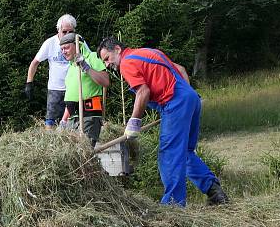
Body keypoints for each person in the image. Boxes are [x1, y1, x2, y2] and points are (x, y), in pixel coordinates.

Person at [97, 37, 228, 207]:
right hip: (191, 99)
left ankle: (173, 205)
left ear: (117, 49)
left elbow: (143, 92)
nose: (108, 64)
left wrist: (134, 121)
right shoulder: (149, 52)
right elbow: (180, 70)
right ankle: (215, 193)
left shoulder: (127, 63)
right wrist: (186, 98)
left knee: (169, 154)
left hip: (174, 102)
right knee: (185, 152)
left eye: (107, 58)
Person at [57, 33, 110, 146]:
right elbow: (72, 97)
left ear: (78, 45)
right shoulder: (71, 66)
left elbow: (105, 82)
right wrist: (63, 120)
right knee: (73, 156)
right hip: (72, 119)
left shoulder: (93, 57)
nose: (63, 52)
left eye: (66, 48)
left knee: (84, 152)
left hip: (89, 116)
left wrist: (86, 67)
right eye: (61, 49)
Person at [25, 14, 77, 127]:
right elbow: (35, 62)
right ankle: (50, 143)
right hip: (55, 89)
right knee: (50, 121)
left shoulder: (78, 41)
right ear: (58, 30)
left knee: (72, 123)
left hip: (74, 89)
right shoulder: (50, 43)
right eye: (64, 32)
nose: (67, 35)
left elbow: (90, 59)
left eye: (70, 32)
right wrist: (29, 82)